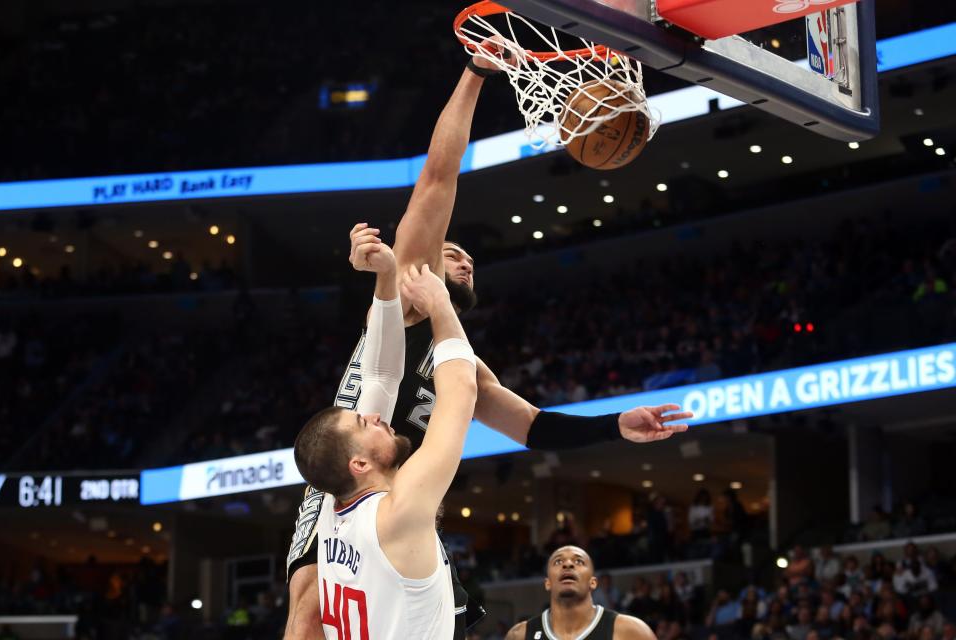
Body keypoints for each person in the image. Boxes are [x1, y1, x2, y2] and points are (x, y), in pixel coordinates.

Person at [284, 44, 693, 640]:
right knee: (308, 605)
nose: (464, 256)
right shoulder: (404, 314)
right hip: (355, 489)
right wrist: (476, 74)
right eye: (451, 251)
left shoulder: (466, 367)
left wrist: (614, 425)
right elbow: (438, 177)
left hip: (405, 505)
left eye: (468, 254)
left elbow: (533, 428)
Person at [293, 241, 477, 639]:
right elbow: (461, 390)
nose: (376, 416)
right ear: (358, 464)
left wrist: (387, 277)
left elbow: (379, 376)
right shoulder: (401, 510)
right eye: (364, 423)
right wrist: (441, 305)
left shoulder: (332, 512)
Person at [505, 546, 656, 640]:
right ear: (548, 583)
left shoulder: (630, 631)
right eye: (558, 561)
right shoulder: (520, 635)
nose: (568, 564)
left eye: (579, 561)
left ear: (593, 582)